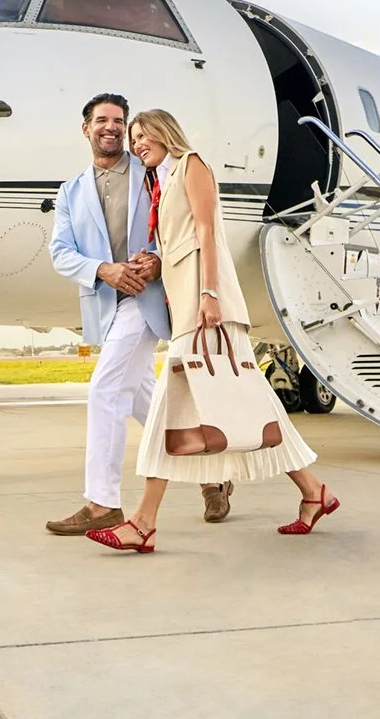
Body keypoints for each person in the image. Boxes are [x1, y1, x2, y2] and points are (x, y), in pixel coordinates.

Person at [89, 108, 339, 553]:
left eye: (144, 134)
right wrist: (158, 263)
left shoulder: (192, 164)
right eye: (134, 139)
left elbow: (207, 231)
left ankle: (143, 523)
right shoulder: (161, 184)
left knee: (170, 413)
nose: (138, 143)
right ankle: (314, 491)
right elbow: (182, 242)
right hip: (190, 308)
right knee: (255, 409)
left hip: (208, 310)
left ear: (166, 133)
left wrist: (209, 295)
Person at [46, 94, 237, 536]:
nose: (111, 128)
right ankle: (212, 472)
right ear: (86, 129)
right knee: (140, 399)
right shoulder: (70, 192)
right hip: (105, 302)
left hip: (147, 297)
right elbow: (60, 252)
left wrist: (156, 259)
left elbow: (177, 221)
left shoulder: (151, 170)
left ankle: (103, 503)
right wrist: (103, 270)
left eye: (119, 121)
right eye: (102, 120)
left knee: (106, 389)